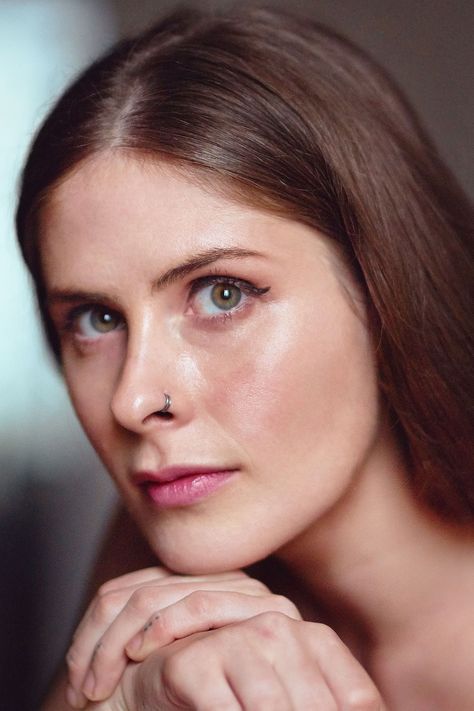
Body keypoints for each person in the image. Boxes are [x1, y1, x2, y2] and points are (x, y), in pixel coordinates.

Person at [16, 6, 473, 710]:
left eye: (222, 294)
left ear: (385, 289)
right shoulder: (156, 589)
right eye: (96, 318)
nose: (133, 399)